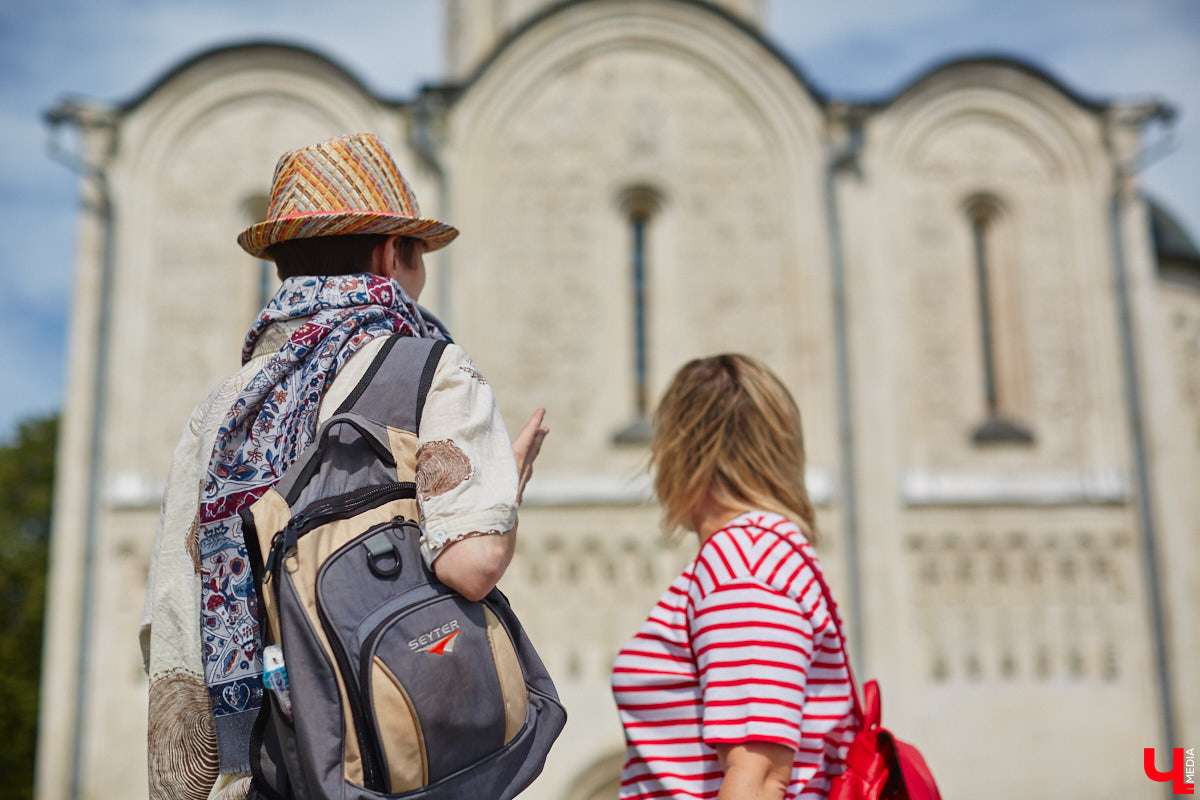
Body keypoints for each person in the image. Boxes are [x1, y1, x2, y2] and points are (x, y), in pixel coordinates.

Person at [139, 132, 547, 800]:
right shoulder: (428, 369)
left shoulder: (220, 407)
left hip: (245, 771)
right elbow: (468, 564)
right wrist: (508, 488)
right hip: (380, 767)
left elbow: (173, 614)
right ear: (393, 254)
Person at [611, 354, 859, 800]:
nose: (653, 455)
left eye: (662, 438)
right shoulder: (760, 555)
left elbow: (759, 779)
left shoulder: (744, 563)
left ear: (688, 449)